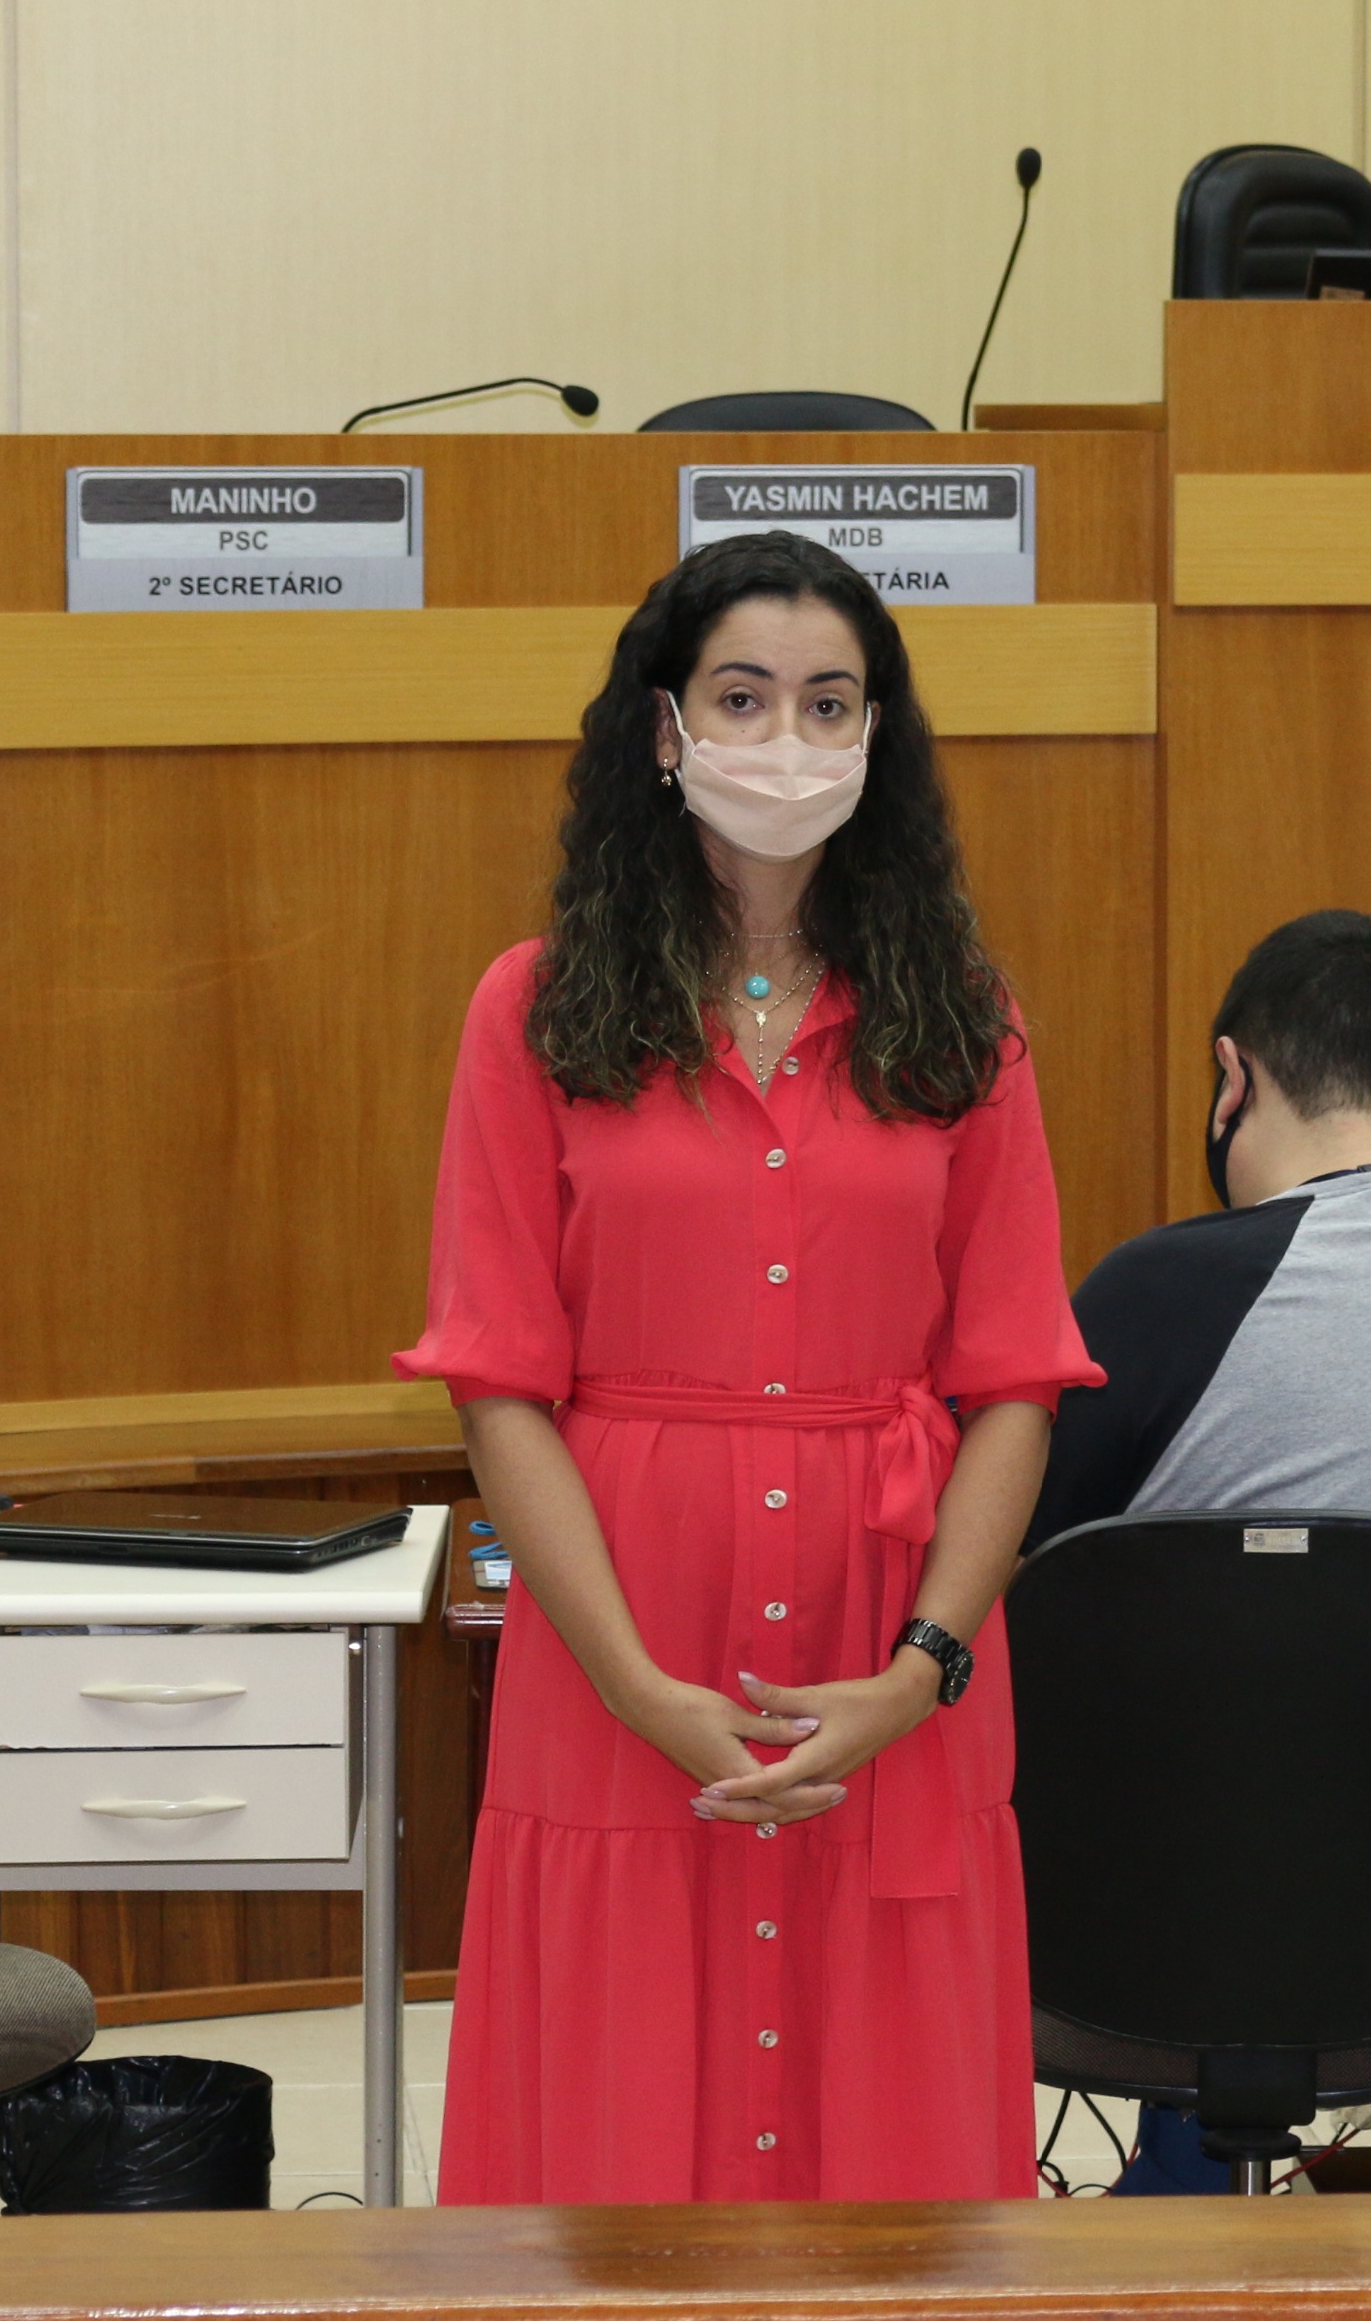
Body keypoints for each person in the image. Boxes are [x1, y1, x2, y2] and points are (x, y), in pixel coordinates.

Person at [398, 528, 1099, 2203]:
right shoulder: (535, 1011)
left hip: (891, 1669)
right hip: (618, 1659)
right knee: (612, 2138)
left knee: (893, 2160)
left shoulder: (963, 1022)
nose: (784, 737)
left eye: (827, 702)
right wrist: (639, 1689)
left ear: (876, 740)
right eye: (741, 695)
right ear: (663, 729)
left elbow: (1013, 1378)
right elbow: (499, 1385)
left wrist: (921, 1670)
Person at [1029, 909, 1371, 2196]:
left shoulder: (1146, 1301)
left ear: (1233, 1079)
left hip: (1135, 1949)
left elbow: (994, 1588)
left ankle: (1170, 2195)